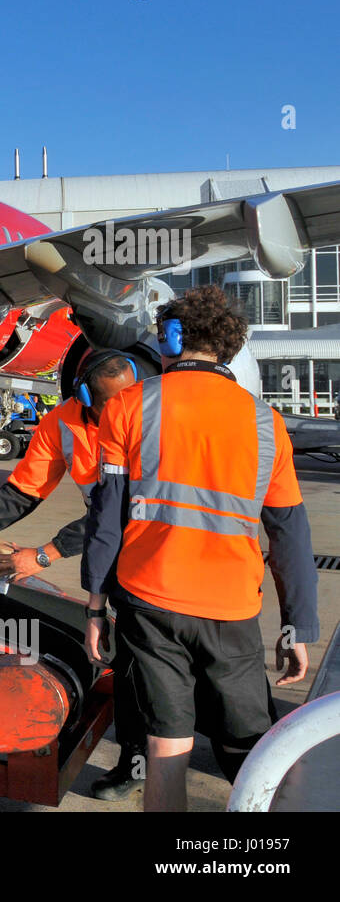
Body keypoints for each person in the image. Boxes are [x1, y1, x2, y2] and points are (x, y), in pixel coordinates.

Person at [81, 285, 318, 812]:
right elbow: (290, 535)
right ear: (229, 349)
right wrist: (297, 627)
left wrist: (95, 604)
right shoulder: (267, 424)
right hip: (232, 610)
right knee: (251, 750)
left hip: (149, 602)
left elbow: (106, 519)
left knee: (167, 747)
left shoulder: (127, 406)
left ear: (169, 339)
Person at [0, 348, 146, 799]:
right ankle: (137, 760)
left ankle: (260, 751)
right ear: (82, 396)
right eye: (110, 403)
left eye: (129, 398)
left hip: (161, 546)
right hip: (119, 557)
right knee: (133, 663)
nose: (122, 410)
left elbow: (123, 508)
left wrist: (43, 555)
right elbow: (24, 491)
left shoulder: (148, 417)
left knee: (210, 671)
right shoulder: (62, 424)